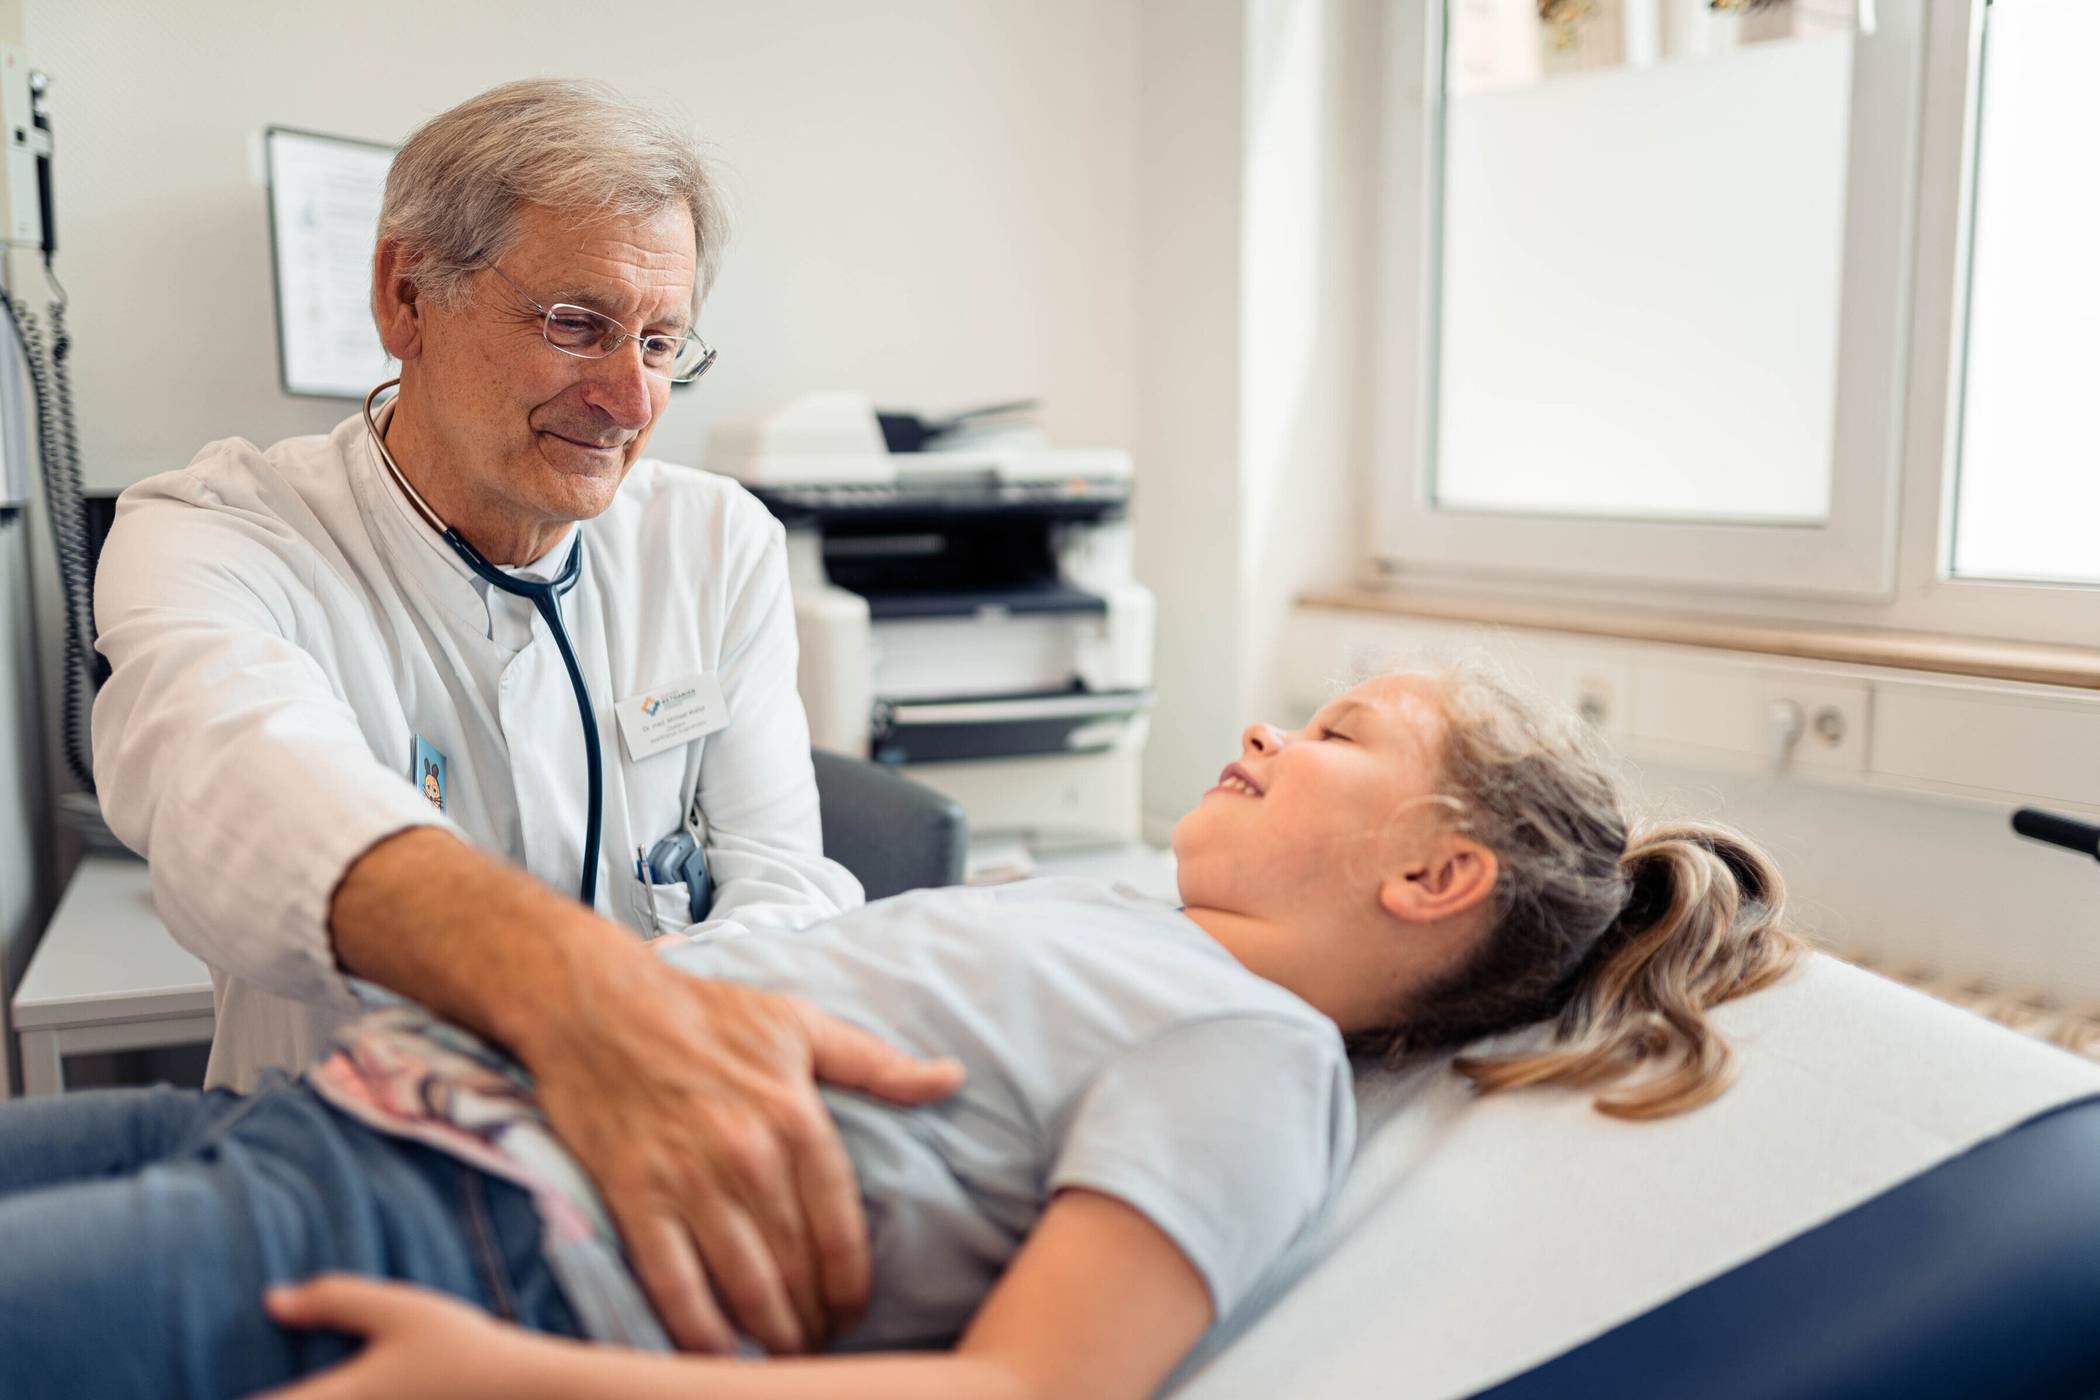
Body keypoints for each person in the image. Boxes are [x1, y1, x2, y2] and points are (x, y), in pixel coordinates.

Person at [0, 666, 1802, 1400]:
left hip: (454, 1240)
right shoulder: (1117, 911)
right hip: (306, 1118)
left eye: (1335, 732)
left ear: (1434, 872)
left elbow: (1015, 1391)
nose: (1263, 730)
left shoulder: (1249, 1058)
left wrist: (520, 1384)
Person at [87, 78, 956, 1356]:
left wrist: (642, 1033)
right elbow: (234, 777)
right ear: (404, 297)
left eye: (662, 342)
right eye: (576, 322)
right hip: (347, 1182)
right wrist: (580, 1008)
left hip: (645, 1199)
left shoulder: (716, 544)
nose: (631, 399)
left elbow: (786, 878)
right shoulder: (220, 535)